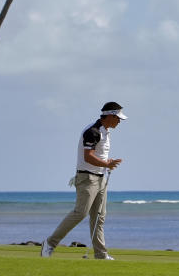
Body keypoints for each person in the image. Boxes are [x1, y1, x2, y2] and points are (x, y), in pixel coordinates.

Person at [41, 101, 127, 260]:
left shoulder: (106, 131)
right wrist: (107, 163)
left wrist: (107, 163)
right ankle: (49, 244)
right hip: (87, 178)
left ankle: (101, 254)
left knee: (99, 217)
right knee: (80, 213)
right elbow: (88, 157)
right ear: (110, 116)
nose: (120, 121)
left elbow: (98, 156)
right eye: (118, 118)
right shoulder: (93, 131)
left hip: (101, 178)